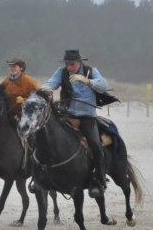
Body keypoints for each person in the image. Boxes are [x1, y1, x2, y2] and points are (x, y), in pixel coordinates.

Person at [41, 49, 110, 198]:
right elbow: (50, 83)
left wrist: (87, 81)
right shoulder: (61, 72)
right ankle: (41, 176)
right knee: (46, 137)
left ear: (79, 62)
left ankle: (100, 178)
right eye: (67, 64)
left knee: (95, 144)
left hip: (87, 117)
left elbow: (104, 85)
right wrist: (45, 88)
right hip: (67, 115)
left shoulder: (91, 71)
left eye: (72, 64)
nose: (69, 67)